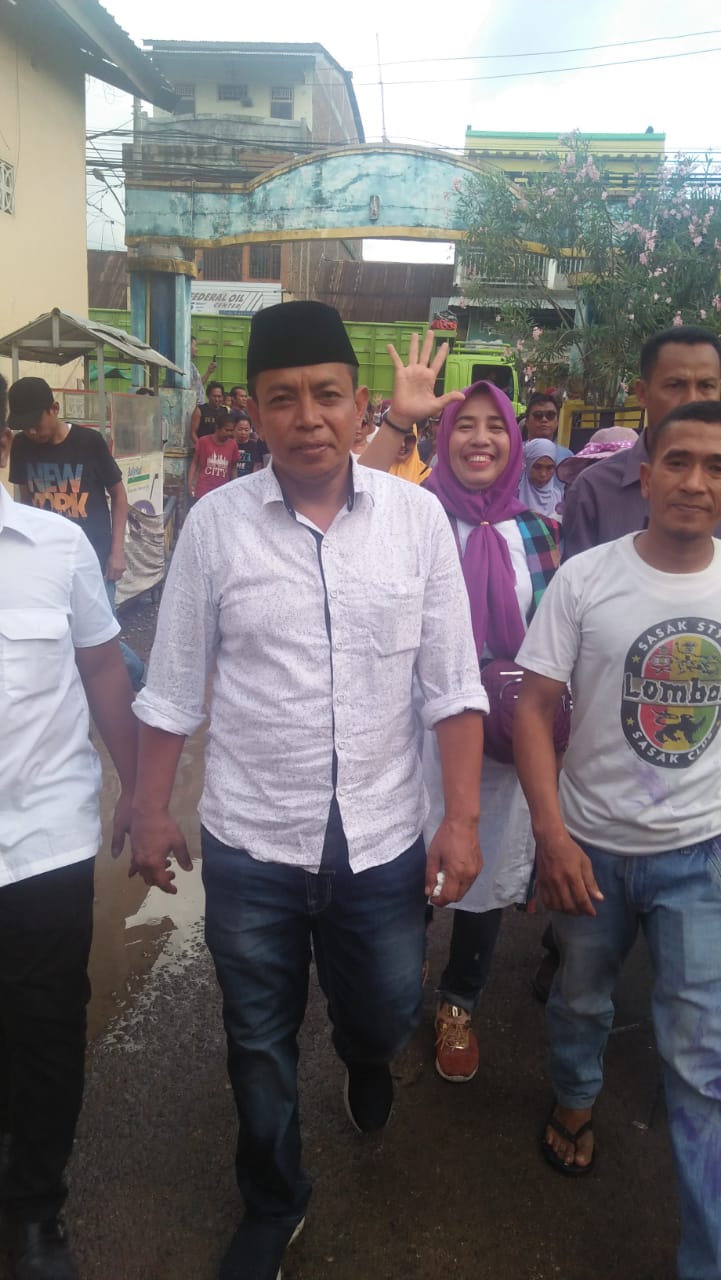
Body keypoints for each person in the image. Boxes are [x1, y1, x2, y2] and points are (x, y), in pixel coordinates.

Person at [129, 302, 487, 1280]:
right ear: (253, 412)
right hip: (253, 841)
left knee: (385, 1008)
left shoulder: (416, 521)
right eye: (281, 398)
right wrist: (150, 807)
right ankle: (273, 1198)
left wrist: (460, 819)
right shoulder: (215, 528)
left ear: (359, 402)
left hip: (383, 838)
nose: (307, 417)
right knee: (257, 1036)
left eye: (326, 394)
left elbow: (452, 685)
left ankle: (367, 1056)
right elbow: (173, 684)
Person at [514, 399, 721, 1280]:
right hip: (588, 848)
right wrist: (550, 837)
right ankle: (574, 1098)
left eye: (715, 467)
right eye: (678, 461)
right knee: (580, 1002)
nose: (695, 481)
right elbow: (531, 709)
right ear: (644, 476)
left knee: (701, 1062)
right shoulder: (585, 578)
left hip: (698, 858)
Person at [363, 347, 560, 1084]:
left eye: (495, 427)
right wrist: (396, 420)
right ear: (442, 441)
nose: (480, 439)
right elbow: (348, 495)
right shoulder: (411, 516)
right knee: (405, 862)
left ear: (515, 439)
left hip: (502, 742)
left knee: (486, 872)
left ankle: (459, 1002)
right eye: (464, 426)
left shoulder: (540, 534)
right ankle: (401, 975)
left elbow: (555, 651)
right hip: (411, 733)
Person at [0, 375, 138, 1280]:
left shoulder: (55, 548)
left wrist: (142, 791)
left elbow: (102, 670)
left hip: (42, 838)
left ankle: (35, 1208)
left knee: (47, 1026)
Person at [7, 377, 145, 691]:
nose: (31, 432)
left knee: (101, 636)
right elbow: (25, 501)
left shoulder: (89, 442)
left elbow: (118, 495)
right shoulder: (23, 447)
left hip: (96, 560)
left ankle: (140, 678)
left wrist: (117, 551)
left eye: (36, 423)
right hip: (47, 562)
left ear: (54, 409)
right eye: (24, 426)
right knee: (63, 634)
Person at [563, 326, 721, 559]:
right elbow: (579, 579)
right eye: (675, 385)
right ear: (642, 393)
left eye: (706, 386)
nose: (691, 400)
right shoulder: (593, 489)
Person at [188, 409, 240, 501]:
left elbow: (233, 468)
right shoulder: (203, 441)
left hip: (222, 491)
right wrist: (190, 483)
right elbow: (195, 463)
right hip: (202, 490)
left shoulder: (233, 445)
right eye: (226, 430)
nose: (229, 433)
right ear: (217, 428)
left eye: (231, 430)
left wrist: (234, 487)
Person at [518, 439, 564, 518]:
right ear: (527, 465)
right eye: (537, 467)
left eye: (549, 468)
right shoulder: (513, 496)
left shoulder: (559, 499)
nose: (543, 474)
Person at [521, 392, 573, 461]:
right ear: (527, 422)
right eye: (538, 415)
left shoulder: (567, 457)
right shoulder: (513, 453)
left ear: (557, 422)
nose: (544, 419)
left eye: (550, 415)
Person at [190, 381, 225, 447]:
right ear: (208, 396)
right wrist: (201, 446)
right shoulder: (199, 410)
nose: (217, 399)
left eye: (219, 396)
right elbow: (193, 432)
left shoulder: (225, 411)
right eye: (214, 396)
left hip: (220, 448)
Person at [190, 335, 217, 406]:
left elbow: (198, 384)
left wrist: (209, 372)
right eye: (195, 346)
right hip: (194, 406)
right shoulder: (186, 366)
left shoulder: (191, 365)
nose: (197, 349)